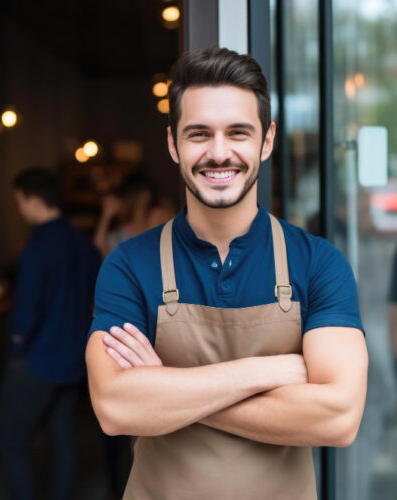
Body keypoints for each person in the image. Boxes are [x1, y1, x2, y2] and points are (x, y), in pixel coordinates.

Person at [86, 47, 368, 499]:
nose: (219, 153)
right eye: (199, 134)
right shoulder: (128, 265)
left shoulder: (318, 262)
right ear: (173, 144)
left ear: (267, 140)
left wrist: (167, 388)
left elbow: (338, 417)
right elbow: (115, 408)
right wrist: (271, 371)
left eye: (238, 132)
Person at [0, 167, 101, 500]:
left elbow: (28, 309)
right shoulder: (84, 245)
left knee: (12, 442)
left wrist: (15, 349)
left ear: (33, 199)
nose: (20, 209)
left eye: (19, 201)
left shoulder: (37, 247)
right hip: (73, 358)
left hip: (38, 360)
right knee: (63, 439)